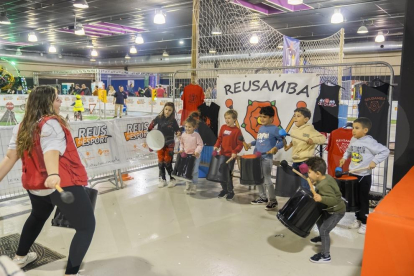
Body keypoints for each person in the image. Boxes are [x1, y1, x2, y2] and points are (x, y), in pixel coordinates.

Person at [0, 85, 95, 276]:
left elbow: (11, 157)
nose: (60, 101)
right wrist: (53, 174)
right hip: (61, 182)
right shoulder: (51, 123)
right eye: (57, 98)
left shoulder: (22, 125)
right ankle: (71, 273)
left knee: (37, 216)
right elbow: (50, 150)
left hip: (35, 186)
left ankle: (20, 257)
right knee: (86, 227)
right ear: (46, 102)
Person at [339, 117, 390, 234]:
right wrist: (344, 157)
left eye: (357, 128)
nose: (353, 130)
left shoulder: (370, 142)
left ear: (365, 130)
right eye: (353, 128)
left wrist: (374, 161)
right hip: (353, 174)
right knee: (355, 199)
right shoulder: (353, 139)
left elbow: (385, 151)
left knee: (363, 199)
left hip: (363, 175)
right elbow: (348, 150)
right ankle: (358, 219)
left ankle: (365, 223)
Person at [306, 157, 346, 264]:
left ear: (318, 173)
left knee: (324, 229)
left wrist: (321, 198)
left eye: (309, 172)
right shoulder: (326, 177)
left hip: (337, 211)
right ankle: (322, 238)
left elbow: (333, 200)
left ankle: (325, 255)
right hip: (329, 209)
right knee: (319, 220)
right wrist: (315, 184)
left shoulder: (324, 185)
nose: (308, 174)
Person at [247, 106, 285, 210]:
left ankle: (273, 200)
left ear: (271, 118)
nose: (262, 119)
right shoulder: (261, 128)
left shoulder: (275, 129)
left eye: (265, 117)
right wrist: (251, 143)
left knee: (267, 179)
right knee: (258, 178)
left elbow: (282, 142)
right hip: (257, 156)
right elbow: (259, 140)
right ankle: (263, 197)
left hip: (266, 158)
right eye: (261, 116)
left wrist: (275, 148)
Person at [284, 107, 326, 190]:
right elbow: (295, 141)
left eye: (298, 116)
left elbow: (322, 138)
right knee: (295, 183)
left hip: (305, 161)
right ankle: (297, 199)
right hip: (296, 159)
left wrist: (312, 140)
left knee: (305, 183)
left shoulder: (309, 128)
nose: (295, 117)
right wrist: (289, 145)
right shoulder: (293, 129)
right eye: (294, 115)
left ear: (306, 119)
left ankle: (307, 200)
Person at [146, 102, 181, 188]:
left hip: (170, 144)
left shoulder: (173, 120)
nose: (167, 111)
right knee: (161, 162)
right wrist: (151, 139)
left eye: (169, 110)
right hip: (159, 144)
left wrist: (179, 133)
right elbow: (150, 127)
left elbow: (177, 130)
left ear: (172, 111)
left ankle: (172, 179)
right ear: (163, 109)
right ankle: (163, 179)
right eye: (166, 109)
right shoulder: (159, 118)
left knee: (167, 162)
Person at [214, 110, 243, 200]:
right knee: (221, 172)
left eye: (229, 118)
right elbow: (220, 139)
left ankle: (230, 191)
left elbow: (240, 144)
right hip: (222, 154)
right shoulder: (223, 127)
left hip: (231, 156)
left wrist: (235, 151)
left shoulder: (237, 131)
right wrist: (216, 146)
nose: (227, 120)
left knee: (227, 173)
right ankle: (224, 189)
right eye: (226, 118)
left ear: (234, 119)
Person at [180, 117, 203, 194]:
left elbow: (200, 144)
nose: (187, 128)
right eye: (186, 126)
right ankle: (188, 184)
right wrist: (181, 149)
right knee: (187, 170)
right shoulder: (183, 135)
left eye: (189, 127)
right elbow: (181, 144)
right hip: (186, 156)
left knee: (194, 171)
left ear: (194, 127)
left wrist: (197, 151)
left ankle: (194, 184)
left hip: (195, 157)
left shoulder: (196, 135)